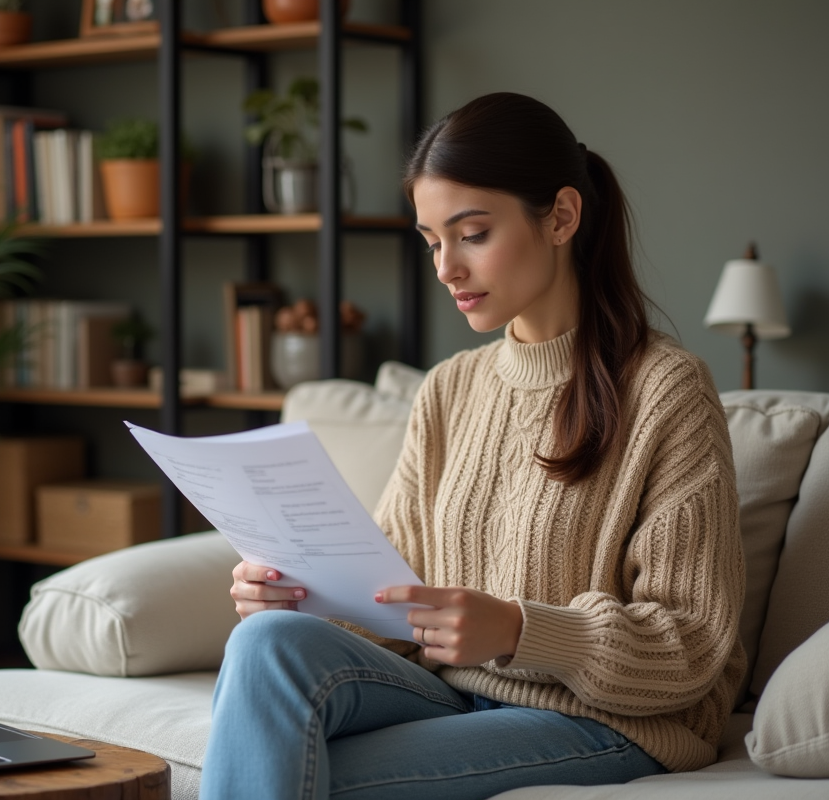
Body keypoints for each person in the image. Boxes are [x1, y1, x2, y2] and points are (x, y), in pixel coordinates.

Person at [199, 92, 746, 800]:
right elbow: (395, 608)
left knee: (295, 773)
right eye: (432, 241)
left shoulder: (667, 390)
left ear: (562, 217)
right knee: (263, 646)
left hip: (605, 721)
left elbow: (693, 643)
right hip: (452, 694)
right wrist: (296, 601)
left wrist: (521, 630)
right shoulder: (448, 390)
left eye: (472, 234)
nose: (445, 268)